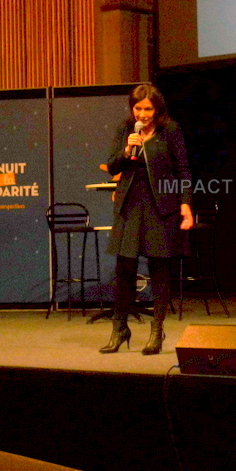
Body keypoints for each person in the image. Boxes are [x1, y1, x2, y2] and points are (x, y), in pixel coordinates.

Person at [99, 84, 194, 355]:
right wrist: (126, 149)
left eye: (148, 109)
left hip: (161, 205)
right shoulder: (125, 129)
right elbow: (112, 166)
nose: (142, 114)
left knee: (159, 268)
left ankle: (157, 330)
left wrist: (186, 204)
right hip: (130, 204)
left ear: (157, 108)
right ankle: (120, 328)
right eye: (138, 108)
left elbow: (183, 169)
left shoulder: (170, 130)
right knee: (124, 268)